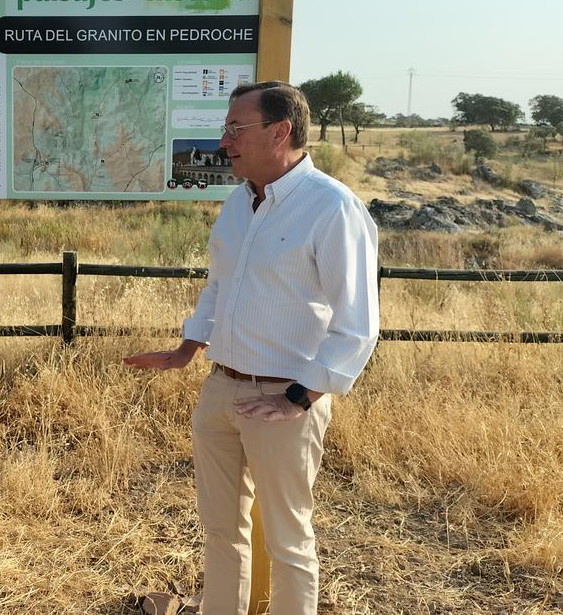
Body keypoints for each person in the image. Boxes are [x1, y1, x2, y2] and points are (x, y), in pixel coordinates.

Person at [124, 81, 379, 615]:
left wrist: (297, 398)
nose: (224, 142)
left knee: (287, 541)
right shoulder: (239, 204)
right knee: (221, 531)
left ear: (281, 131)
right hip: (221, 388)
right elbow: (220, 285)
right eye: (225, 130)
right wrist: (187, 347)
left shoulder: (331, 208)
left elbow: (357, 324)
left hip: (284, 402)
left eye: (236, 129)